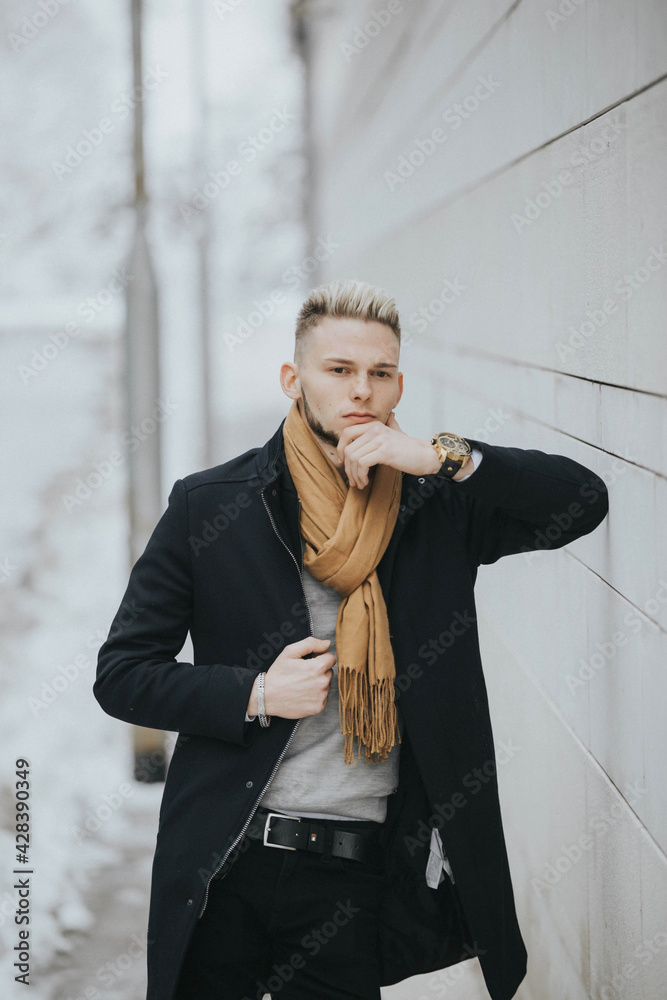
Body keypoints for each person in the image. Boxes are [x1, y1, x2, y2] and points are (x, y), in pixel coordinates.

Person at [94, 278, 609, 1000]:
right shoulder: (212, 505)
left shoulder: (435, 507)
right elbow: (122, 674)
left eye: (379, 372)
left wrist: (443, 456)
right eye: (338, 370)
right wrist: (258, 693)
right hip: (225, 864)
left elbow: (582, 501)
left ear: (399, 384)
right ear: (293, 378)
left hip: (353, 876)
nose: (359, 390)